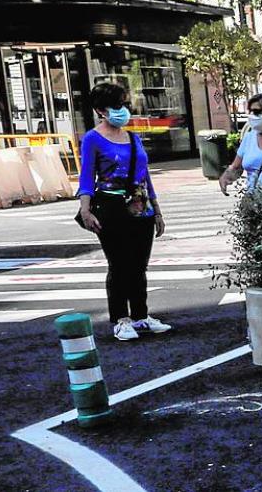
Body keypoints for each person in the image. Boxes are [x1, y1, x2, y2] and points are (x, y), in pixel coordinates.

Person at [76, 82, 172, 342]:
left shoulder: (133, 137)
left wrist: (157, 210)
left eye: (124, 104)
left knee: (139, 265)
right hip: (110, 207)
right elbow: (86, 177)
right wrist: (85, 210)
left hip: (141, 207)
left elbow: (145, 176)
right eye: (116, 105)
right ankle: (120, 319)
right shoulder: (92, 139)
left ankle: (141, 316)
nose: (122, 110)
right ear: (100, 110)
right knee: (119, 265)